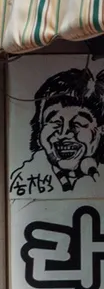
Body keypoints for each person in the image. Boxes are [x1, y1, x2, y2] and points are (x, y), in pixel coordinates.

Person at [15, 69, 104, 197]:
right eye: (54, 123)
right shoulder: (25, 178)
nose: (63, 134)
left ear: (101, 128)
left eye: (77, 124)